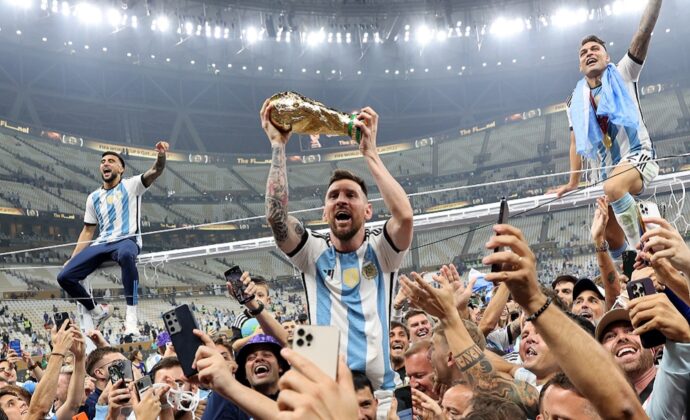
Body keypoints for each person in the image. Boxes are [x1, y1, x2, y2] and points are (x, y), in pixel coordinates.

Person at [261, 101, 414, 396]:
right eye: (333, 196)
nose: (341, 200)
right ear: (324, 212)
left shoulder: (382, 250)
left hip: (380, 394)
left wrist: (370, 153)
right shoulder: (312, 252)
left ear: (368, 210)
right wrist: (278, 146)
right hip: (328, 394)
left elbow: (405, 217)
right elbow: (276, 218)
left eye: (351, 195)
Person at [550, 0, 663, 258]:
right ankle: (627, 275)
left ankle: (645, 255)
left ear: (607, 56)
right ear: (580, 65)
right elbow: (575, 142)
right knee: (611, 237)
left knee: (613, 187)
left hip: (637, 156)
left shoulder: (624, 72)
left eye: (595, 48)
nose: (589, 53)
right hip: (605, 172)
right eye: (583, 52)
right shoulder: (574, 101)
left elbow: (643, 33)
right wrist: (573, 182)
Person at [57, 143, 170, 335]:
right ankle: (97, 311)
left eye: (111, 161)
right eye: (103, 161)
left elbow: (156, 170)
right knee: (64, 276)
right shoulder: (93, 197)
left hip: (127, 240)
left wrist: (161, 155)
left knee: (126, 255)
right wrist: (73, 258)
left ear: (121, 168)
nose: (105, 164)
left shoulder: (132, 185)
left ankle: (131, 319)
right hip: (102, 243)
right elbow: (88, 231)